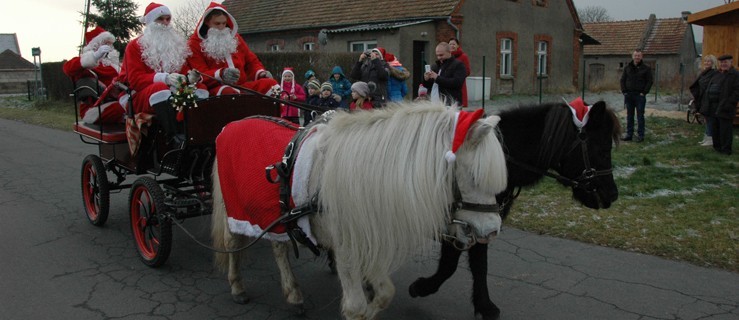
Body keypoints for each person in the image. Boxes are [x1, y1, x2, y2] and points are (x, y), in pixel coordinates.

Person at [122, 2, 207, 126]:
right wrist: (165, 78)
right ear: (150, 22)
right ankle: (172, 134)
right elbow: (135, 80)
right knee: (160, 88)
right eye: (160, 19)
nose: (165, 22)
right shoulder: (134, 46)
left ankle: (195, 129)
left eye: (168, 19)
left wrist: (191, 78)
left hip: (174, 91)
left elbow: (184, 72)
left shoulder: (176, 45)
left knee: (200, 88)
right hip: (140, 95)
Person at [187, 2, 278, 96]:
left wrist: (261, 73)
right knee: (228, 92)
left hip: (243, 86)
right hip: (216, 89)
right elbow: (199, 74)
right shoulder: (194, 44)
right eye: (217, 24)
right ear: (206, 22)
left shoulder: (235, 38)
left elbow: (251, 61)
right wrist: (221, 74)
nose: (221, 27)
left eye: (224, 23)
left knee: (272, 85)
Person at [63, 26, 126, 124]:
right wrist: (94, 56)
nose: (109, 47)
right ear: (96, 46)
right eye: (105, 43)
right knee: (129, 106)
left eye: (110, 44)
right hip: (96, 107)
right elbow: (68, 68)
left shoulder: (115, 65)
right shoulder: (90, 67)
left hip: (120, 99)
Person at [620, 49, 653, 142]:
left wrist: (644, 92)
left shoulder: (646, 68)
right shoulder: (627, 68)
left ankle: (640, 135)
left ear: (641, 57)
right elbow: (622, 80)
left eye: (638, 55)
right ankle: (629, 134)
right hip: (629, 95)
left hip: (640, 96)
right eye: (635, 55)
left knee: (640, 116)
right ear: (632, 56)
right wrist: (624, 91)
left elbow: (650, 81)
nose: (637, 57)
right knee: (629, 115)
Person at [709, 54, 739, 155]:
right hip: (714, 106)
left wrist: (729, 102)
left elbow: (737, 91)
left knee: (725, 129)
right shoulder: (717, 74)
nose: (723, 64)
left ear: (731, 62)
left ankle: (726, 150)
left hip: (726, 106)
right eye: (721, 62)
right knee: (715, 128)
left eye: (725, 62)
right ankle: (717, 148)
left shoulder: (735, 75)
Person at [422, 42, 468, 107]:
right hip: (433, 104)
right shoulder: (435, 66)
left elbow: (457, 83)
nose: (439, 57)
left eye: (441, 55)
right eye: (437, 55)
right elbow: (428, 86)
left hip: (450, 105)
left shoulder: (458, 65)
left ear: (449, 52)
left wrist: (437, 78)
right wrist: (426, 79)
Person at [689, 55, 718, 146]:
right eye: (705, 61)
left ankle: (710, 139)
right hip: (702, 98)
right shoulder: (704, 72)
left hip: (709, 100)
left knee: (710, 119)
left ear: (713, 63)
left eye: (709, 61)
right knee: (706, 119)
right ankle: (706, 137)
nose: (706, 63)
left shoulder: (714, 73)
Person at [449, 38, 471, 107]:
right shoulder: (447, 56)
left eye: (454, 44)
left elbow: (467, 71)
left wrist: (458, 76)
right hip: (448, 83)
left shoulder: (463, 56)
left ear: (458, 45)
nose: (452, 46)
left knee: (458, 106)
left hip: (459, 84)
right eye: (450, 44)